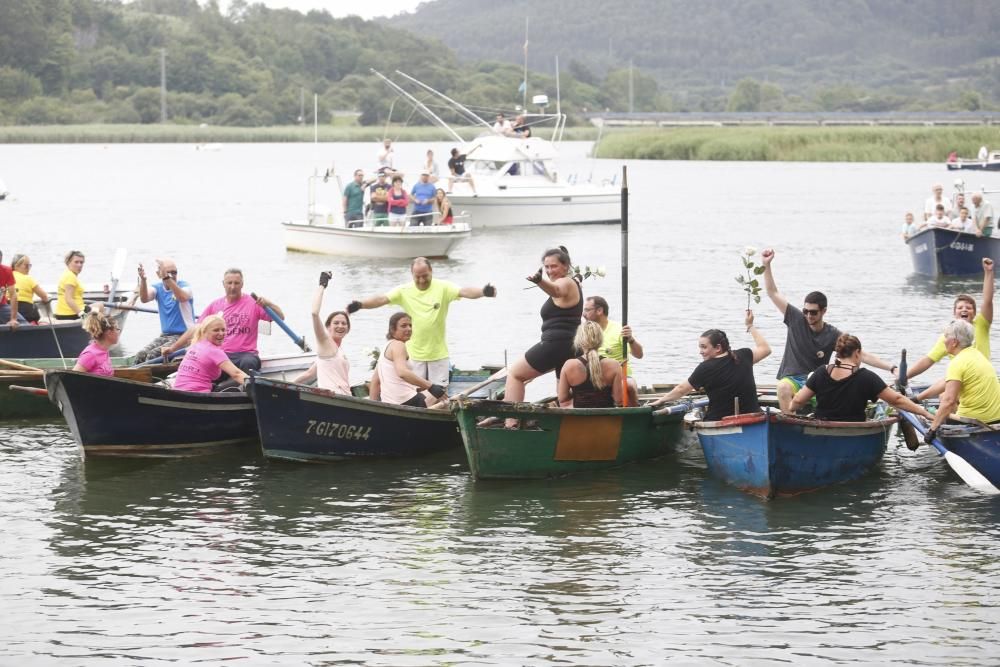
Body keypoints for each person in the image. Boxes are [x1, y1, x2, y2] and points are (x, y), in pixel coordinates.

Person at [761, 248, 896, 411]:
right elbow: (772, 292)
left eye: (813, 312)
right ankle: (790, 423)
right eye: (806, 311)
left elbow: (862, 354)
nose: (808, 316)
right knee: (782, 387)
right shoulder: (796, 319)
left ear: (824, 311)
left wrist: (891, 367)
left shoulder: (832, 334)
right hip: (793, 380)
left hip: (817, 381)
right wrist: (766, 265)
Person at [346, 257, 495, 387]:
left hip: (438, 354)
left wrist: (483, 292)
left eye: (425, 276)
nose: (422, 280)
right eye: (418, 277)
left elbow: (465, 291)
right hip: (413, 355)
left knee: (439, 393)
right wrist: (360, 305)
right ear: (412, 274)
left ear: (431, 272)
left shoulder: (443, 287)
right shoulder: (404, 290)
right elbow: (382, 299)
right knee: (416, 391)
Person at [501, 247, 583, 425]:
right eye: (546, 267)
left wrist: (540, 281)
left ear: (565, 266)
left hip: (556, 344)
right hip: (572, 346)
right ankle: (569, 427)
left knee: (515, 374)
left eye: (554, 266)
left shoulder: (565, 283)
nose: (549, 271)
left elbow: (556, 291)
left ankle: (511, 424)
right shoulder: (574, 282)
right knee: (565, 396)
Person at [650, 310, 771, 420]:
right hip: (753, 417)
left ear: (718, 348)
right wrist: (750, 326)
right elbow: (766, 349)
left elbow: (681, 389)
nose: (700, 351)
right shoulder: (744, 355)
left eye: (704, 347)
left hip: (719, 420)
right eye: (700, 347)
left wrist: (661, 400)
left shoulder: (705, 368)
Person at [787, 333, 933, 422]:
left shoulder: (821, 372)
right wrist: (924, 413)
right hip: (853, 429)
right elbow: (897, 400)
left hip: (822, 427)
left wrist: (790, 411)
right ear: (857, 353)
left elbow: (798, 400)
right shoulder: (866, 378)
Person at [162, 268, 282, 374]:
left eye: (236, 283)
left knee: (248, 363)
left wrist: (268, 303)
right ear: (223, 284)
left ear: (242, 284)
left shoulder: (253, 303)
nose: (233, 287)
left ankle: (240, 388)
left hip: (246, 354)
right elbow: (196, 328)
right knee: (201, 361)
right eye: (229, 283)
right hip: (221, 354)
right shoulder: (215, 305)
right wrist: (173, 348)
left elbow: (280, 317)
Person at [906, 258, 993, 399]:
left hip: (980, 378)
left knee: (943, 395)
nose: (964, 309)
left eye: (968, 308)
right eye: (960, 308)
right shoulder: (948, 336)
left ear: (975, 313)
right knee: (943, 394)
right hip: (961, 379)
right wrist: (905, 376)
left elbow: (988, 300)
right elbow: (928, 360)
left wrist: (988, 273)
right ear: (955, 313)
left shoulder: (982, 324)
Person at [924, 319, 1000, 443]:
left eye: (946, 336)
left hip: (975, 420)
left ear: (954, 342)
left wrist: (932, 430)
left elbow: (949, 401)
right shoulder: (978, 355)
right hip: (997, 417)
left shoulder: (957, 363)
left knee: (944, 401)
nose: (943, 340)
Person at [369, 312, 446, 408]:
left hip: (390, 402)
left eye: (410, 325)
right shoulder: (398, 345)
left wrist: (373, 407)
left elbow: (375, 381)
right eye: (404, 326)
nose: (409, 329)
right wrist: (430, 386)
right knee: (441, 390)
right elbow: (403, 372)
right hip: (407, 401)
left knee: (433, 392)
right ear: (393, 330)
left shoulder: (387, 346)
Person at [292, 271, 352, 395]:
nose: (340, 326)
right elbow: (314, 313)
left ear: (348, 329)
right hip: (333, 398)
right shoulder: (325, 343)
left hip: (345, 396)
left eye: (343, 323)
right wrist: (322, 285)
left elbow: (310, 374)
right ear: (328, 327)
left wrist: (290, 383)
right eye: (336, 323)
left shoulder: (337, 350)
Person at [582, 295, 644, 405]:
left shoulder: (619, 330)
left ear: (600, 310)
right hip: (594, 377)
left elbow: (639, 355)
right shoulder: (584, 331)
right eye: (584, 310)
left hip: (621, 375)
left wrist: (631, 339)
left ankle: (634, 411)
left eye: (587, 310)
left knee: (629, 385)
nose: (583, 314)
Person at [133, 258, 195, 364]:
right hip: (165, 336)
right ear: (159, 274)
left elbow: (182, 297)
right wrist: (143, 280)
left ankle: (149, 379)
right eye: (168, 272)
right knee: (140, 355)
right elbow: (144, 299)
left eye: (174, 272)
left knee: (152, 355)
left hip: (184, 336)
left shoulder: (184, 286)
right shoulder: (157, 288)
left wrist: (167, 277)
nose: (172, 275)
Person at [172, 314, 249, 393]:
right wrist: (256, 385)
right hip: (198, 394)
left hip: (178, 390)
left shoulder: (195, 345)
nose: (221, 333)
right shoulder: (214, 351)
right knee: (240, 381)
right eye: (216, 330)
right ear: (205, 332)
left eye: (223, 330)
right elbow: (237, 374)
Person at [557, 321, 622, 408]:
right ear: (600, 340)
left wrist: (577, 392)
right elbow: (618, 399)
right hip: (607, 418)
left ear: (579, 340)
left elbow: (562, 398)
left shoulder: (569, 365)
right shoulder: (614, 365)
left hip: (580, 419)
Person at [72, 308, 119, 376]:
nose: (118, 332)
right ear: (109, 333)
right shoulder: (90, 355)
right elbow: (72, 378)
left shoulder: (104, 350)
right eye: (117, 329)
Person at [10, 254, 47, 323]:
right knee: (37, 316)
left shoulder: (7, 276)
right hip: (26, 312)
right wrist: (44, 300)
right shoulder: (28, 279)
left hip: (9, 311)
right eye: (26, 266)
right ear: (16, 266)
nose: (28, 268)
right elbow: (44, 296)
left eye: (29, 266)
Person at [54, 250, 86, 320]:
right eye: (76, 262)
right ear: (68, 263)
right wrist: (82, 314)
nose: (79, 265)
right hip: (71, 314)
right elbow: (68, 299)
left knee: (97, 308)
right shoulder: (70, 277)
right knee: (100, 306)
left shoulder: (67, 274)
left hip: (64, 313)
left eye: (81, 262)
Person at [0, 249, 26, 329]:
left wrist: (13, 318)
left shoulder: (7, 270)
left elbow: (13, 295)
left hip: (1, 306)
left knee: (24, 325)